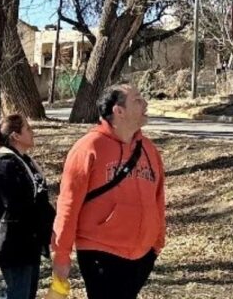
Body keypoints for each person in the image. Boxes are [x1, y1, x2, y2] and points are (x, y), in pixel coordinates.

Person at [50, 84, 166, 299]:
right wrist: (62, 255)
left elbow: (158, 198)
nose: (145, 103)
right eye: (137, 100)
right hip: (100, 251)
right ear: (118, 111)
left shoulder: (149, 149)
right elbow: (68, 204)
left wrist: (157, 242)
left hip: (143, 253)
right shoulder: (89, 147)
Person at [0, 114, 55, 299]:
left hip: (30, 242)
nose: (33, 132)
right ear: (15, 136)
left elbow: (39, 199)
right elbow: (17, 205)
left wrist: (51, 225)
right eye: (28, 129)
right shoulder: (4, 164)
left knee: (27, 294)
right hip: (14, 244)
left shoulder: (25, 161)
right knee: (18, 294)